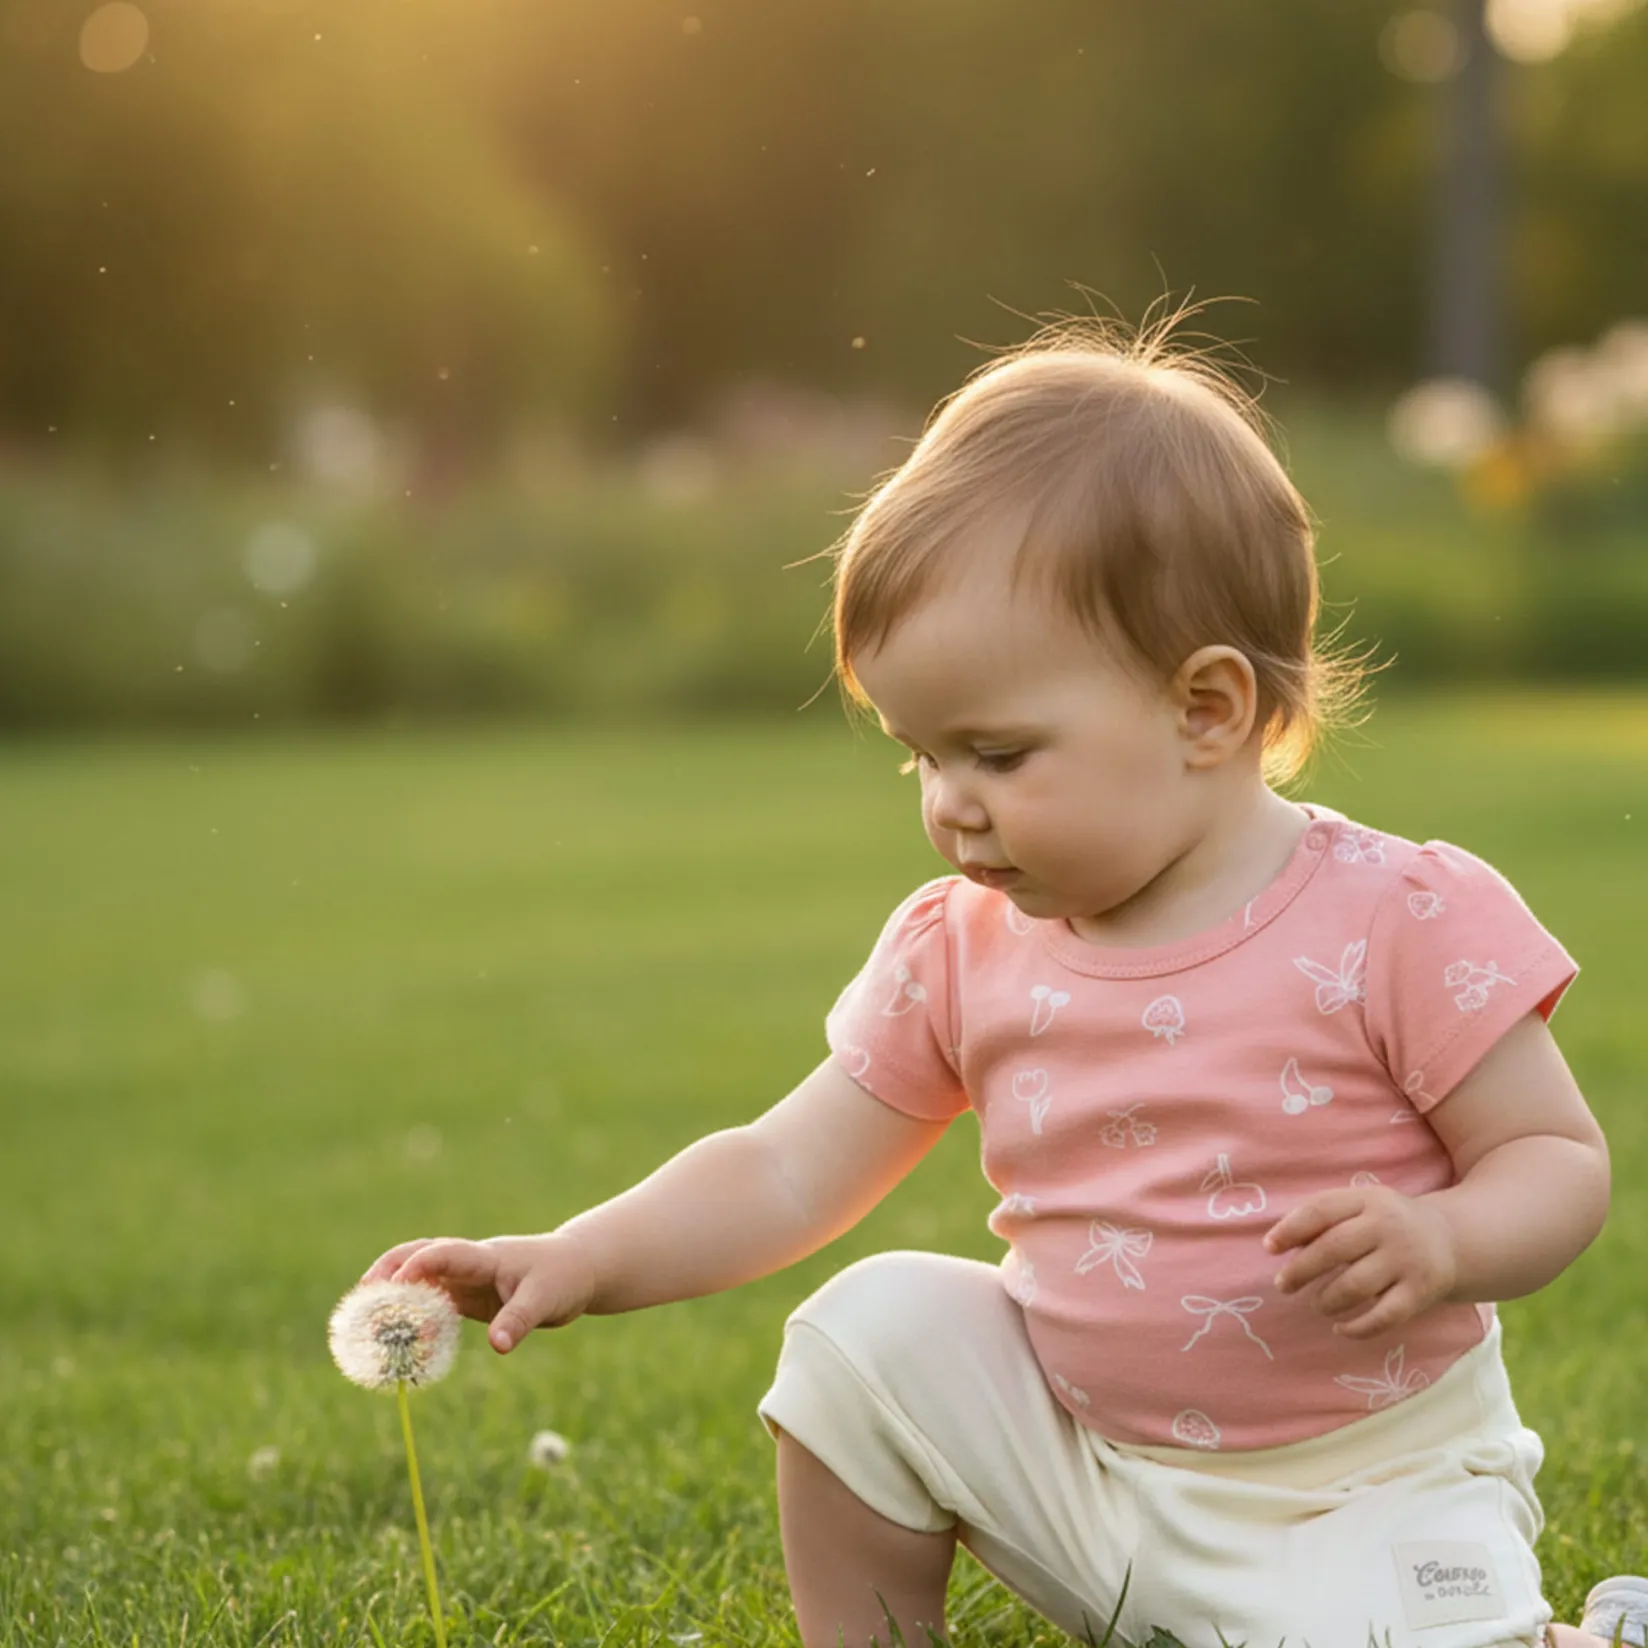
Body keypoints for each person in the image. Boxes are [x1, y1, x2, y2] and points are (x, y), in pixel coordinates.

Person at [361, 317, 1639, 1648]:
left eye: (998, 755)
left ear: (1206, 709)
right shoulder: (962, 946)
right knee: (867, 1336)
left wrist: (1445, 1243)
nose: (950, 812)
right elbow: (785, 1169)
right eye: (921, 757)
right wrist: (577, 1255)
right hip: (1093, 1478)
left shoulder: (1394, 918)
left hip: (1362, 1490)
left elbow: (1555, 1160)